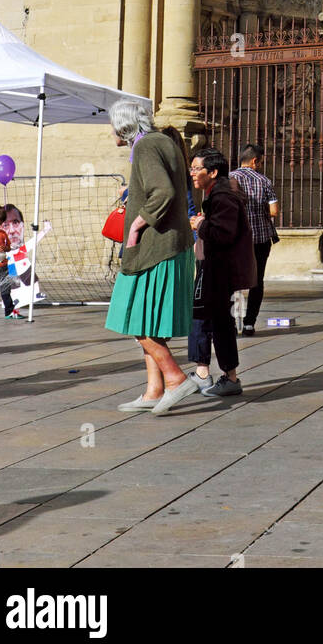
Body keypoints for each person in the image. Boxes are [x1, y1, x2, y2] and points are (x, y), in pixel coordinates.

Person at [105, 101, 197, 415]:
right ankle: (153, 391)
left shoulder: (146, 147)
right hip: (172, 245)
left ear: (123, 125)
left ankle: (175, 378)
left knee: (132, 316)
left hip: (154, 248)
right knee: (149, 322)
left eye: (113, 124)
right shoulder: (163, 142)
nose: (111, 131)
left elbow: (164, 192)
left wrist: (135, 226)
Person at [187, 148, 257, 398]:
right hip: (215, 267)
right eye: (192, 168)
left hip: (219, 269)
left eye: (197, 169)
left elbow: (223, 234)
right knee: (213, 320)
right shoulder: (218, 194)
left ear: (213, 172)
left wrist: (201, 224)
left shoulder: (223, 196)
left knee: (218, 322)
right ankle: (213, 373)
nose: (193, 173)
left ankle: (229, 377)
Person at [230, 143, 279, 336]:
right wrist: (259, 211)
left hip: (236, 239)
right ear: (254, 161)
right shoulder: (264, 181)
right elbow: (274, 211)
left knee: (232, 280)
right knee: (256, 281)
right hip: (260, 239)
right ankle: (250, 323)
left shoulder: (230, 179)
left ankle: (232, 322)